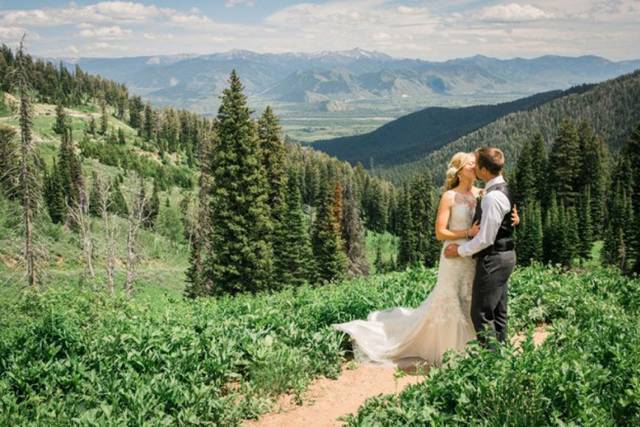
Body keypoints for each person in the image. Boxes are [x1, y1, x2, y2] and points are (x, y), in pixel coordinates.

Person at [331, 151, 518, 367]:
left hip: (472, 255)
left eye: (477, 163)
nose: (475, 167)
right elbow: (440, 233)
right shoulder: (449, 196)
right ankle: (453, 351)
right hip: (454, 254)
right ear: (459, 171)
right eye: (470, 164)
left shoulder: (483, 193)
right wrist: (467, 233)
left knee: (472, 301)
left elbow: (499, 214)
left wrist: (514, 219)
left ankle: (476, 349)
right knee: (452, 301)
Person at [445, 147, 517, 348]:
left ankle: (491, 364)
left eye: (477, 164)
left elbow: (485, 239)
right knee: (498, 311)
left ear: (485, 171)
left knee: (481, 313)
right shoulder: (502, 188)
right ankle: (503, 354)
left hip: (494, 258)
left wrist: (458, 250)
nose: (474, 167)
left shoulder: (492, 197)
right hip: (505, 255)